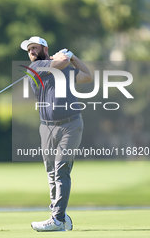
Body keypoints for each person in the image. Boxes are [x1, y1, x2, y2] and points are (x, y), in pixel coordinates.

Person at [20, 36, 93, 232]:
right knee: (51, 173)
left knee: (61, 169)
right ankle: (60, 216)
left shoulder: (62, 68)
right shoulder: (37, 67)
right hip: (46, 127)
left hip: (71, 124)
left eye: (35, 48)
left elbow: (87, 76)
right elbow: (59, 62)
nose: (32, 52)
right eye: (29, 50)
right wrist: (65, 56)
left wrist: (73, 57)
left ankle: (58, 219)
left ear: (45, 48)